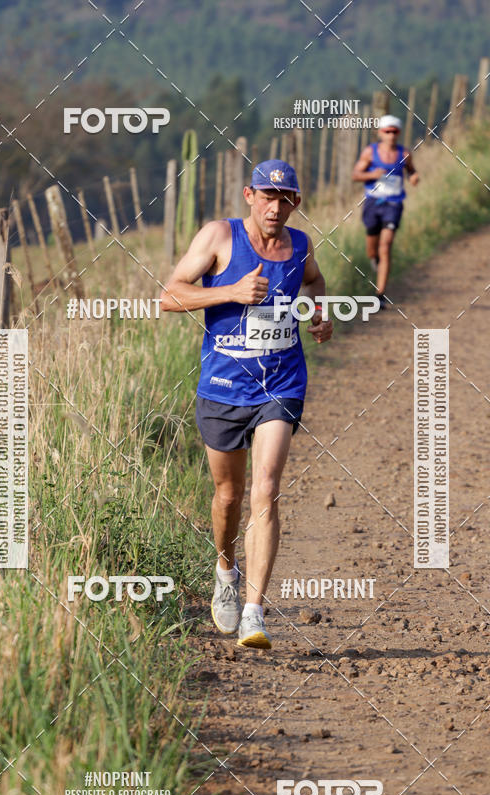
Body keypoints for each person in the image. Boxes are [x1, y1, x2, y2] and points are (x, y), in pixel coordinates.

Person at [160, 159, 332, 649]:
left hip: (281, 384)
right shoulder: (218, 236)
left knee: (267, 491)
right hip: (222, 387)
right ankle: (225, 570)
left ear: (295, 203)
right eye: (268, 196)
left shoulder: (299, 245)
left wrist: (318, 313)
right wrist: (231, 291)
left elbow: (315, 283)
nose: (276, 207)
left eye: (287, 199)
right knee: (229, 497)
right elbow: (169, 295)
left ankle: (255, 612)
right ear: (249, 195)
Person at [352, 114, 419, 308]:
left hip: (394, 204)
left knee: (386, 245)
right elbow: (355, 175)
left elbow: (412, 171)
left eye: (394, 131)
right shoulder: (370, 153)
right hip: (373, 203)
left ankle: (380, 294)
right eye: (387, 131)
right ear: (380, 133)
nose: (390, 135)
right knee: (372, 249)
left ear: (398, 133)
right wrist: (372, 174)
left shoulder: (404, 154)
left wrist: (414, 177)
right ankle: (374, 260)